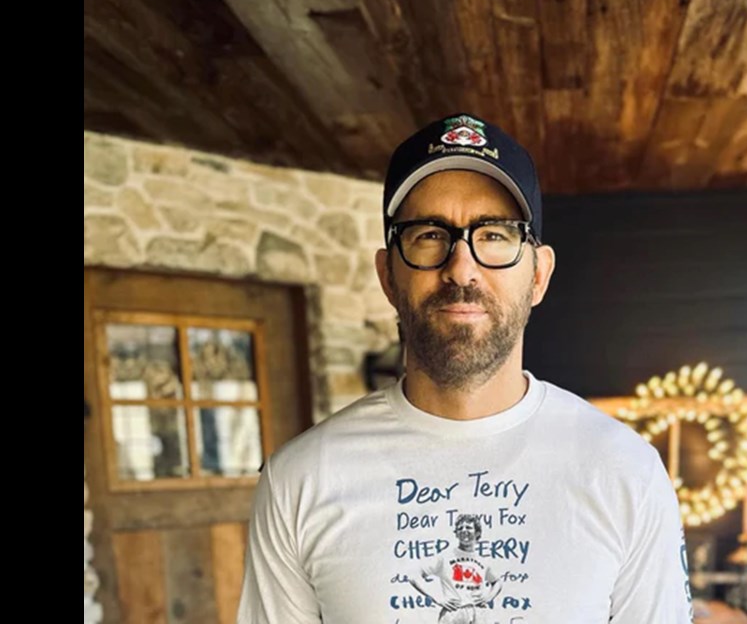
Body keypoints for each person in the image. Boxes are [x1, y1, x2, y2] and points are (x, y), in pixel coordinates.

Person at [237, 113, 694, 623]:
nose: (461, 266)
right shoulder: (300, 481)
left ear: (538, 275)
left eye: (495, 234)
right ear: (388, 274)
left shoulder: (624, 470)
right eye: (429, 234)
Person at [410, 513, 502, 623]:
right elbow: (414, 577)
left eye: (468, 527)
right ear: (456, 534)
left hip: (478, 613)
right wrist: (436, 598)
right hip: (454, 613)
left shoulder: (483, 560)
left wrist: (489, 597)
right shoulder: (445, 557)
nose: (463, 530)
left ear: (477, 533)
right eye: (460, 528)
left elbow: (497, 582)